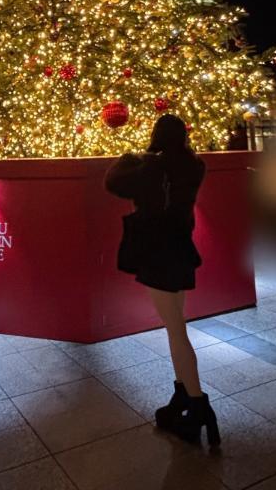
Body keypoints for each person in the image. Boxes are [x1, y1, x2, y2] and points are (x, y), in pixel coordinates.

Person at [105, 114, 220, 446]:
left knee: (175, 329)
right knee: (175, 325)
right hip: (181, 248)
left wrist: (132, 156)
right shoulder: (194, 165)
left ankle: (199, 405)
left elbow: (112, 182)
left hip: (158, 252)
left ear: (157, 136)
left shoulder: (151, 167)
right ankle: (183, 394)